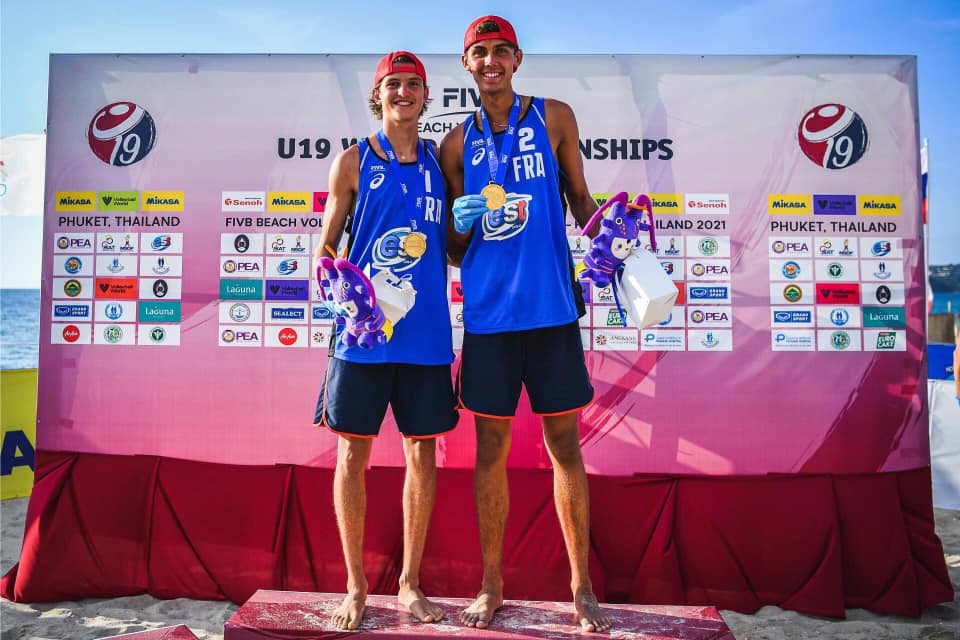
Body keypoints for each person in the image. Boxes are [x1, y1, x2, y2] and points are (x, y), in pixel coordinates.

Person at [438, 15, 611, 633]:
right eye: (479, 53)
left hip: (553, 311)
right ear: (467, 64)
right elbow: (456, 249)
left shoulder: (555, 116)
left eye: (500, 51)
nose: (490, 61)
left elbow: (583, 200)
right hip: (489, 318)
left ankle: (581, 589)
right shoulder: (455, 145)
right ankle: (491, 586)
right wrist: (459, 222)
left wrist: (613, 241)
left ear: (518, 58)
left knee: (565, 447)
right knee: (491, 451)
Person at [313, 51, 458, 630]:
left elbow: (453, 248)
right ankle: (355, 588)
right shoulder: (351, 162)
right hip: (362, 337)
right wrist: (342, 295)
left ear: (426, 97)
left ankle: (408, 584)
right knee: (351, 454)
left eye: (413, 85)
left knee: (421, 455)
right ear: (378, 96)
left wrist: (478, 225)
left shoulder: (443, 164)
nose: (403, 93)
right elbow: (325, 254)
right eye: (393, 85)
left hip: (424, 338)